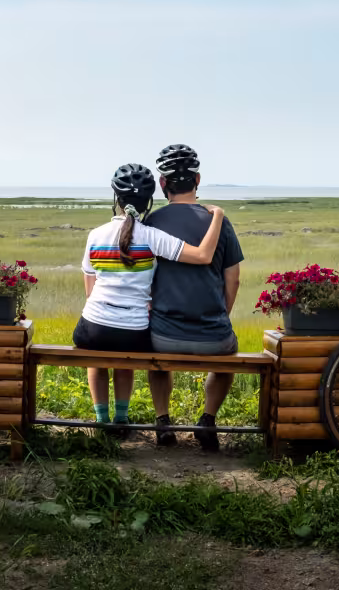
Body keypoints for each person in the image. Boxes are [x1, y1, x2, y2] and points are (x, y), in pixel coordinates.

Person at [74, 163, 225, 436]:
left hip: (94, 325)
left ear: (116, 200)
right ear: (148, 202)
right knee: (125, 354)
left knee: (96, 359)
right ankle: (121, 420)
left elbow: (89, 286)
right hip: (133, 331)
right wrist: (218, 216)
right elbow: (203, 256)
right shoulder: (152, 236)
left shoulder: (95, 235)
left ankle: (101, 422)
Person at [144, 144, 245, 452]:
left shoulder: (151, 223)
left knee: (155, 362)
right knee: (229, 357)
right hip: (213, 337)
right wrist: (221, 316)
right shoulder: (218, 221)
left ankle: (163, 421)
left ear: (163, 184)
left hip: (163, 337)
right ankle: (207, 419)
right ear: (197, 180)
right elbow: (234, 278)